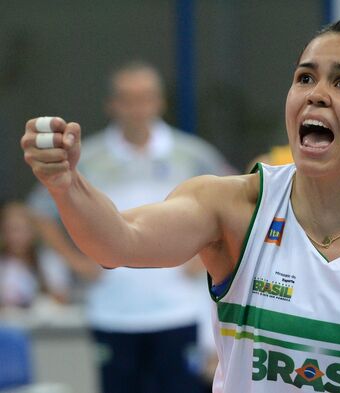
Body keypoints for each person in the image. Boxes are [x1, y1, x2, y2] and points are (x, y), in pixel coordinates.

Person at [20, 18, 340, 393]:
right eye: (305, 78)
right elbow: (118, 242)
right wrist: (66, 184)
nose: (316, 95)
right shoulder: (233, 205)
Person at [27, 61, 234, 393]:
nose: (138, 108)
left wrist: (206, 259)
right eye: (128, 99)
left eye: (146, 97)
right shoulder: (87, 158)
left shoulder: (192, 155)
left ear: (160, 102)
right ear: (112, 104)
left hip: (177, 309)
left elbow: (235, 205)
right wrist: (77, 261)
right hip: (113, 310)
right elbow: (38, 210)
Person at [0, 201, 71, 308]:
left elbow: (62, 297)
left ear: (33, 231)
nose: (15, 236)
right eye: (10, 230)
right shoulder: (4, 263)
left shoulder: (48, 259)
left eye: (21, 230)